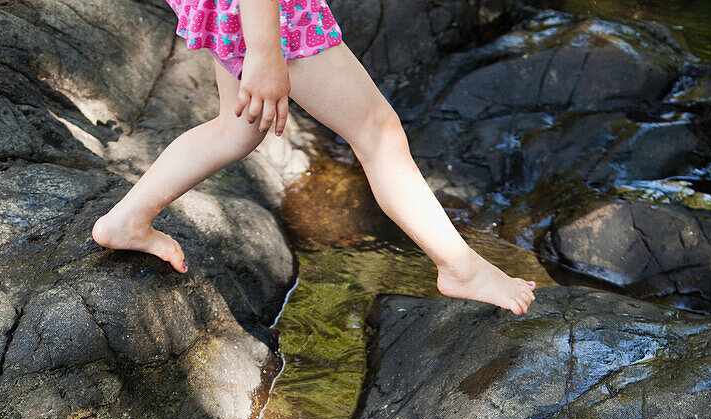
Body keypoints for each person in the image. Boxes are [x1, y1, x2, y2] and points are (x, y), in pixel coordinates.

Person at [92, 0, 536, 315]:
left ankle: (127, 219)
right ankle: (461, 268)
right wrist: (265, 53)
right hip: (265, 12)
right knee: (378, 133)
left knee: (236, 128)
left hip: (235, 8)